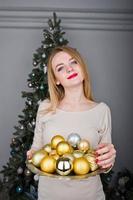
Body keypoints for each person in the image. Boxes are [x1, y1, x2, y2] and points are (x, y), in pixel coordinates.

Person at [27, 45, 116, 200]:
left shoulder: (102, 110)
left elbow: (104, 162)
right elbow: (36, 148)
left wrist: (109, 159)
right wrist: (32, 155)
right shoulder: (45, 108)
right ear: (56, 80)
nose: (69, 69)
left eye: (73, 62)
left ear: (82, 67)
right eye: (60, 68)